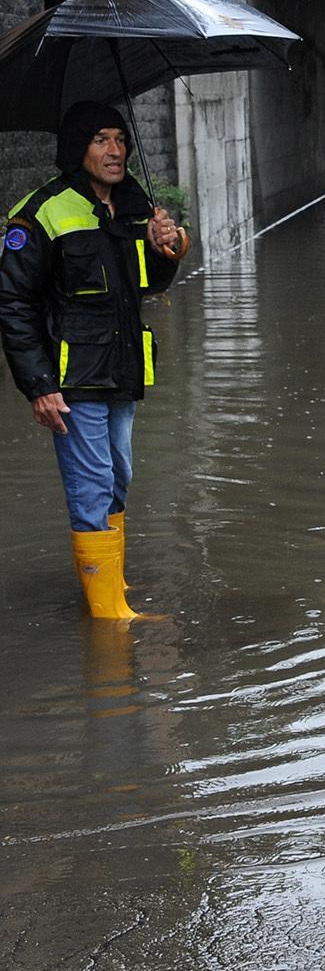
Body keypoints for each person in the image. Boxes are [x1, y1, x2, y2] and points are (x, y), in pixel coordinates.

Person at [0, 101, 186, 620]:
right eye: (100, 139)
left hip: (122, 370)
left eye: (120, 138)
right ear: (76, 148)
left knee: (119, 473)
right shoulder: (40, 212)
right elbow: (13, 303)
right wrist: (38, 384)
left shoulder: (133, 208)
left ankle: (112, 584)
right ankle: (109, 617)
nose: (115, 150)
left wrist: (165, 248)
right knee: (92, 481)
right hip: (71, 377)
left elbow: (147, 284)